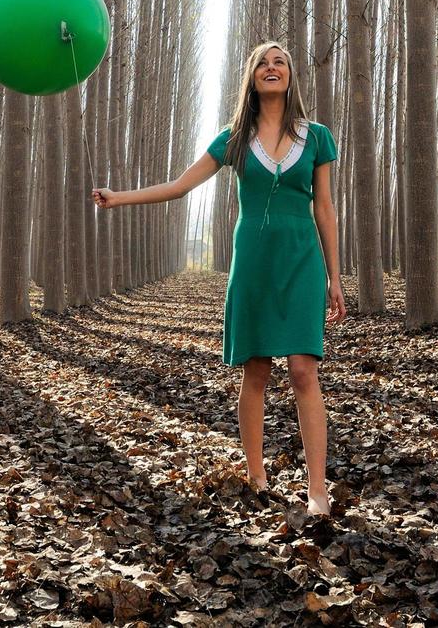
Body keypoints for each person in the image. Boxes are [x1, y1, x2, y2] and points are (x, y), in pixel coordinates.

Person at [91, 41, 345, 515]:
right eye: (263, 64)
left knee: (303, 371)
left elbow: (325, 209)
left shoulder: (318, 137)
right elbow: (181, 185)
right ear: (251, 78)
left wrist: (335, 275)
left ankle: (317, 488)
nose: (272, 69)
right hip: (251, 262)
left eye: (280, 63)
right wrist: (118, 197)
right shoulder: (234, 137)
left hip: (301, 261)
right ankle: (257, 473)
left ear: (291, 76)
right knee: (257, 369)